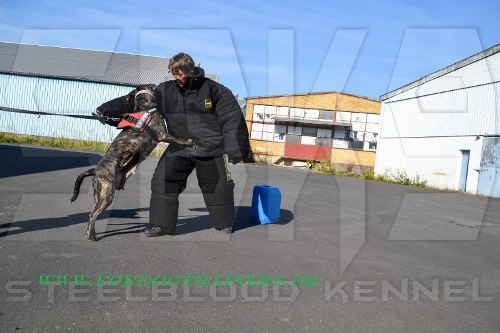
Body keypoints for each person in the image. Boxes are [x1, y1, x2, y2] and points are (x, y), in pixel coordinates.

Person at [96, 52, 250, 237]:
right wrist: (105, 111)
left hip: (211, 148)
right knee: (162, 181)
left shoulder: (214, 90)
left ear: (191, 70)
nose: (177, 78)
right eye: (174, 74)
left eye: (181, 73)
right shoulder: (164, 90)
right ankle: (161, 225)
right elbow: (135, 99)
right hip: (180, 146)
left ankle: (224, 223)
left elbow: (232, 117)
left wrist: (236, 150)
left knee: (218, 186)